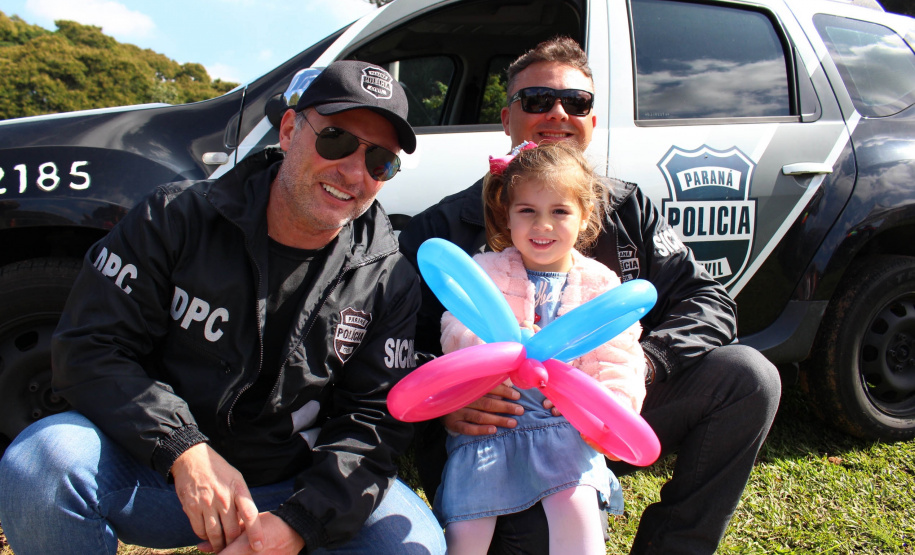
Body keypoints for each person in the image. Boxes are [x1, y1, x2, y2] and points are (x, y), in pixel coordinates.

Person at [0, 60, 446, 555]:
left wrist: (300, 522)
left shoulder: (389, 275)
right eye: (336, 139)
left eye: (380, 160)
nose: (353, 171)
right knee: (43, 462)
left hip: (293, 486)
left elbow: (374, 421)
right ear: (290, 129)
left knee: (412, 546)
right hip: (162, 470)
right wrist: (182, 447)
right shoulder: (173, 218)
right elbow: (91, 346)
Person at [399, 37, 782, 554]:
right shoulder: (444, 227)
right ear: (506, 118)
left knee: (748, 378)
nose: (557, 113)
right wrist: (450, 399)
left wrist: (633, 369)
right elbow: (394, 340)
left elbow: (709, 302)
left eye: (576, 103)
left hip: (609, 405)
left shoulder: (626, 207)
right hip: (497, 429)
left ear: (592, 122)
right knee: (537, 538)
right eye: (536, 100)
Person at [435, 140, 647, 555]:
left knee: (577, 512)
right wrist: (502, 350)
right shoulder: (486, 270)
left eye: (560, 211)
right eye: (527, 211)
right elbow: (456, 328)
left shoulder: (599, 283)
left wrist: (611, 411)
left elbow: (619, 354)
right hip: (495, 425)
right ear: (507, 216)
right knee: (468, 531)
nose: (542, 225)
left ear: (586, 217)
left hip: (564, 426)